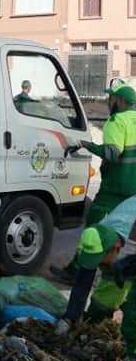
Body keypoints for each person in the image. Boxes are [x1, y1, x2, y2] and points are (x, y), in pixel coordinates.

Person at [57, 195, 136, 361]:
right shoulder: (99, 234)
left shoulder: (128, 245)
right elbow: (83, 281)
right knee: (102, 302)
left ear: (117, 248)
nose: (97, 267)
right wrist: (70, 318)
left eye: (101, 262)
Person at [54, 83, 136, 282]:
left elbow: (112, 154)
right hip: (132, 188)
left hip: (114, 187)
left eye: (112, 98)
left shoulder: (116, 121)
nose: (109, 102)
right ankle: (115, 273)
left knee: (93, 230)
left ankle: (76, 271)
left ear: (121, 101)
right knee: (124, 230)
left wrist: (86, 144)